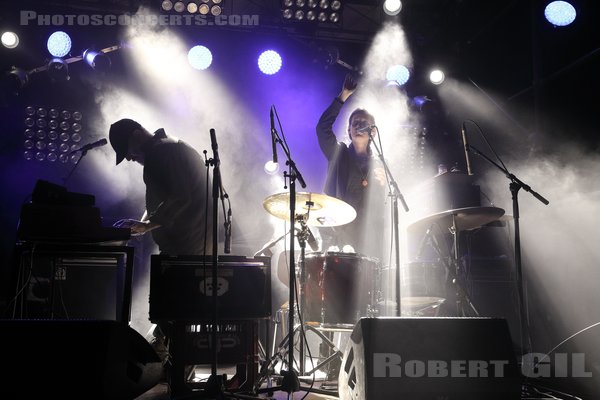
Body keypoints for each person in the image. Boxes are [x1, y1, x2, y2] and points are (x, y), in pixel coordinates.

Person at [108, 118, 212, 382]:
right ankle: (171, 360)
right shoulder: (168, 148)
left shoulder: (161, 153)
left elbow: (180, 198)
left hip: (186, 244)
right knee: (175, 309)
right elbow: (165, 200)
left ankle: (177, 368)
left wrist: (146, 227)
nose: (130, 159)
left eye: (127, 152)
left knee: (174, 308)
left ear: (136, 135)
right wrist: (144, 224)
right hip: (192, 242)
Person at [316, 73, 387, 261]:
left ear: (373, 131)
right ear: (349, 130)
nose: (358, 127)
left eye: (364, 124)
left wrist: (384, 187)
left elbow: (382, 205)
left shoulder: (380, 163)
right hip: (337, 234)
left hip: (367, 238)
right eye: (355, 124)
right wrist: (342, 98)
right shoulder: (338, 154)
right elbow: (322, 129)